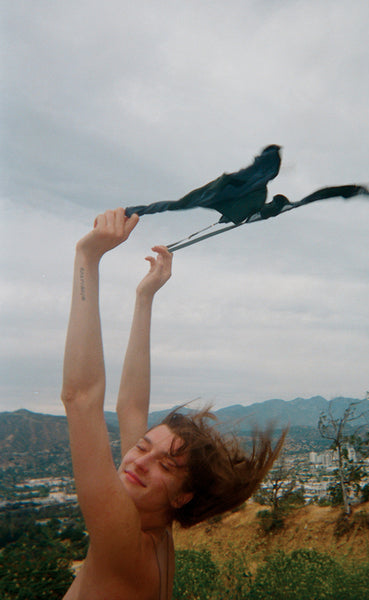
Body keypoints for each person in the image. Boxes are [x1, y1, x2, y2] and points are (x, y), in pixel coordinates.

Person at [61, 208, 285, 600]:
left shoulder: (123, 543)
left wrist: (87, 259)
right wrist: (144, 297)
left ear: (183, 496)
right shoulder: (156, 533)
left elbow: (81, 399)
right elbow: (130, 408)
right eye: (144, 446)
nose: (137, 462)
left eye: (165, 466)